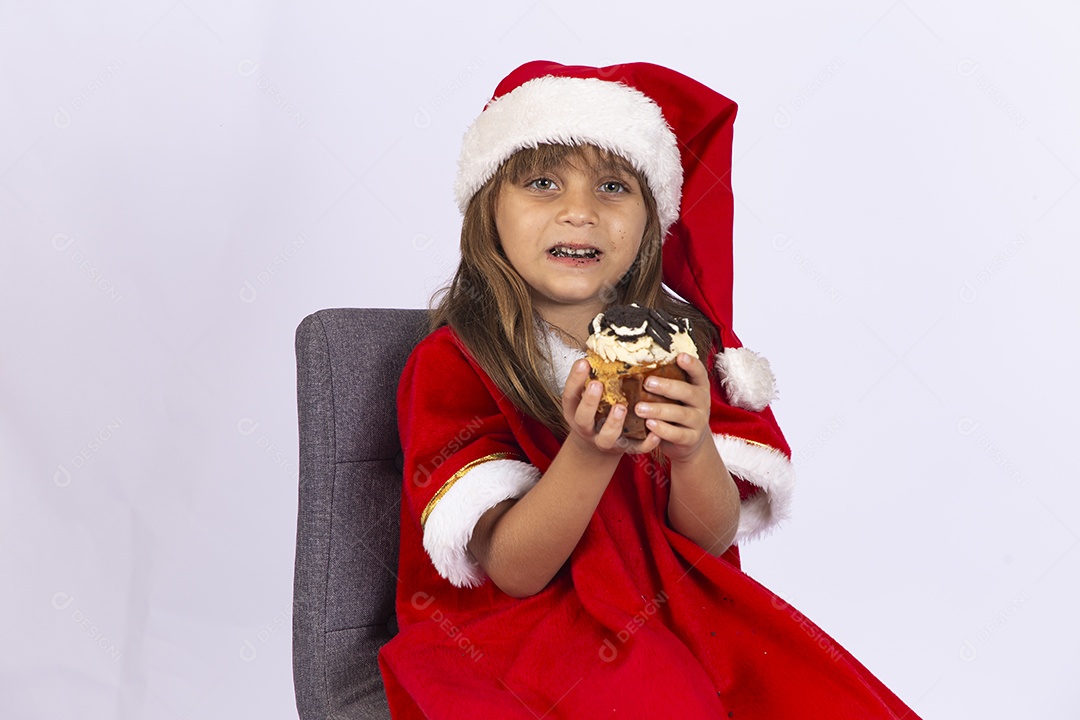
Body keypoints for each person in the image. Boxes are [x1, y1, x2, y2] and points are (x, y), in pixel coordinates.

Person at [378, 60, 920, 719]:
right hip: (526, 628)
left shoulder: (679, 351)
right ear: (490, 208)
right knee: (662, 699)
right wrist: (589, 449)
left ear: (649, 224)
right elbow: (515, 573)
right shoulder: (458, 364)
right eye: (543, 183)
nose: (580, 212)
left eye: (612, 187)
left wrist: (693, 453)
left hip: (674, 604)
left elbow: (711, 540)